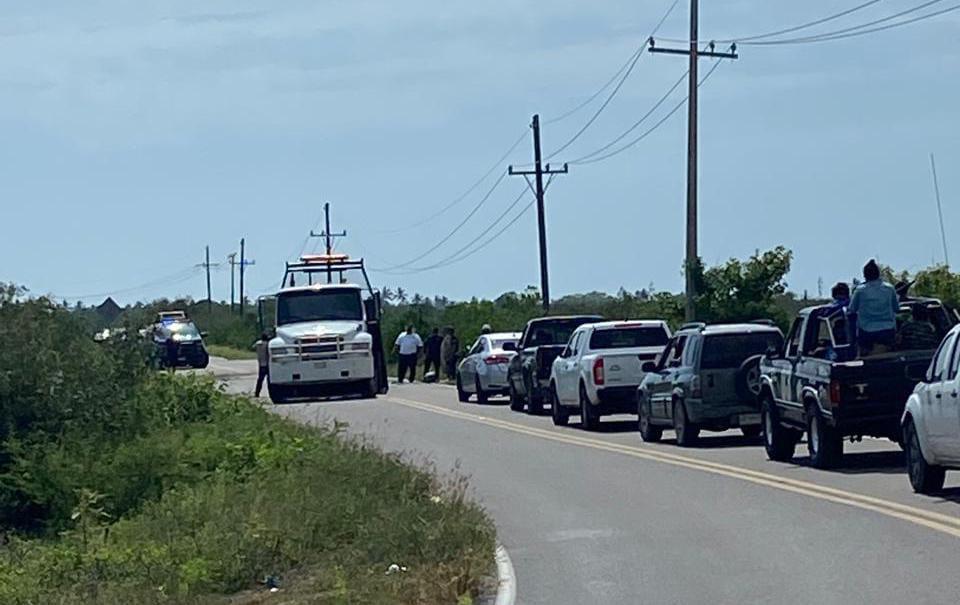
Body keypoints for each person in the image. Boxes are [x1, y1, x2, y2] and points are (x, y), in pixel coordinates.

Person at [849, 259, 899, 356]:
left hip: (866, 333)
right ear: (878, 274)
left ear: (865, 275)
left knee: (864, 360)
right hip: (888, 331)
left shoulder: (860, 291)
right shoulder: (889, 289)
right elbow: (896, 308)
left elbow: (852, 309)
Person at [254, 332, 270, 397]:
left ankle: (257, 393)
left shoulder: (258, 344)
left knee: (260, 379)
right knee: (269, 380)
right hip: (268, 364)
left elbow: (253, 346)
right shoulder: (267, 344)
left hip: (261, 364)